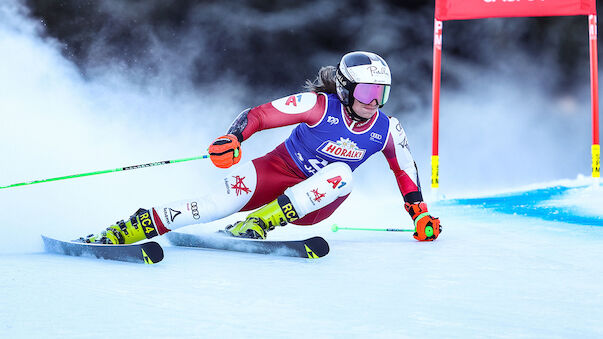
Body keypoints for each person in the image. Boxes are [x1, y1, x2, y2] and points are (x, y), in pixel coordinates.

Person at [79, 51, 442, 244]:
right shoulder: (316, 105)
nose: (373, 101)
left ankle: (258, 224)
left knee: (342, 173)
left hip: (314, 203)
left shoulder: (387, 129)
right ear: (346, 89)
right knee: (213, 205)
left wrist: (419, 214)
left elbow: (405, 172)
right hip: (275, 171)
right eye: (365, 92)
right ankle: (128, 229)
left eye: (380, 93)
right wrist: (234, 138)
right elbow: (260, 115)